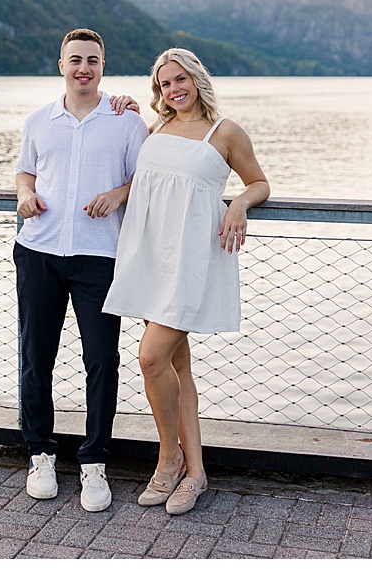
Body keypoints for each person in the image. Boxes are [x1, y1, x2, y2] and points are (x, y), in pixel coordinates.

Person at [103, 48, 269, 515]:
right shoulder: (158, 127)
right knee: (179, 368)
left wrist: (238, 203)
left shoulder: (226, 132)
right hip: (154, 256)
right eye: (164, 83)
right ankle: (196, 474)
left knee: (150, 357)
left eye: (180, 79)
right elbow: (148, 182)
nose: (173, 89)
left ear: (196, 79)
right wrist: (125, 110)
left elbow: (260, 183)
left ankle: (168, 458)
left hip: (195, 260)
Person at [12, 28, 148, 512]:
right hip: (39, 251)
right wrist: (25, 195)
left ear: (103, 66)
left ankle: (94, 462)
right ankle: (40, 454)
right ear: (61, 65)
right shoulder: (38, 121)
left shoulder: (127, 122)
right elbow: (25, 170)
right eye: (75, 59)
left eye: (92, 59)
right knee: (35, 357)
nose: (83, 67)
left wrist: (117, 194)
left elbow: (146, 178)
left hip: (100, 256)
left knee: (102, 361)